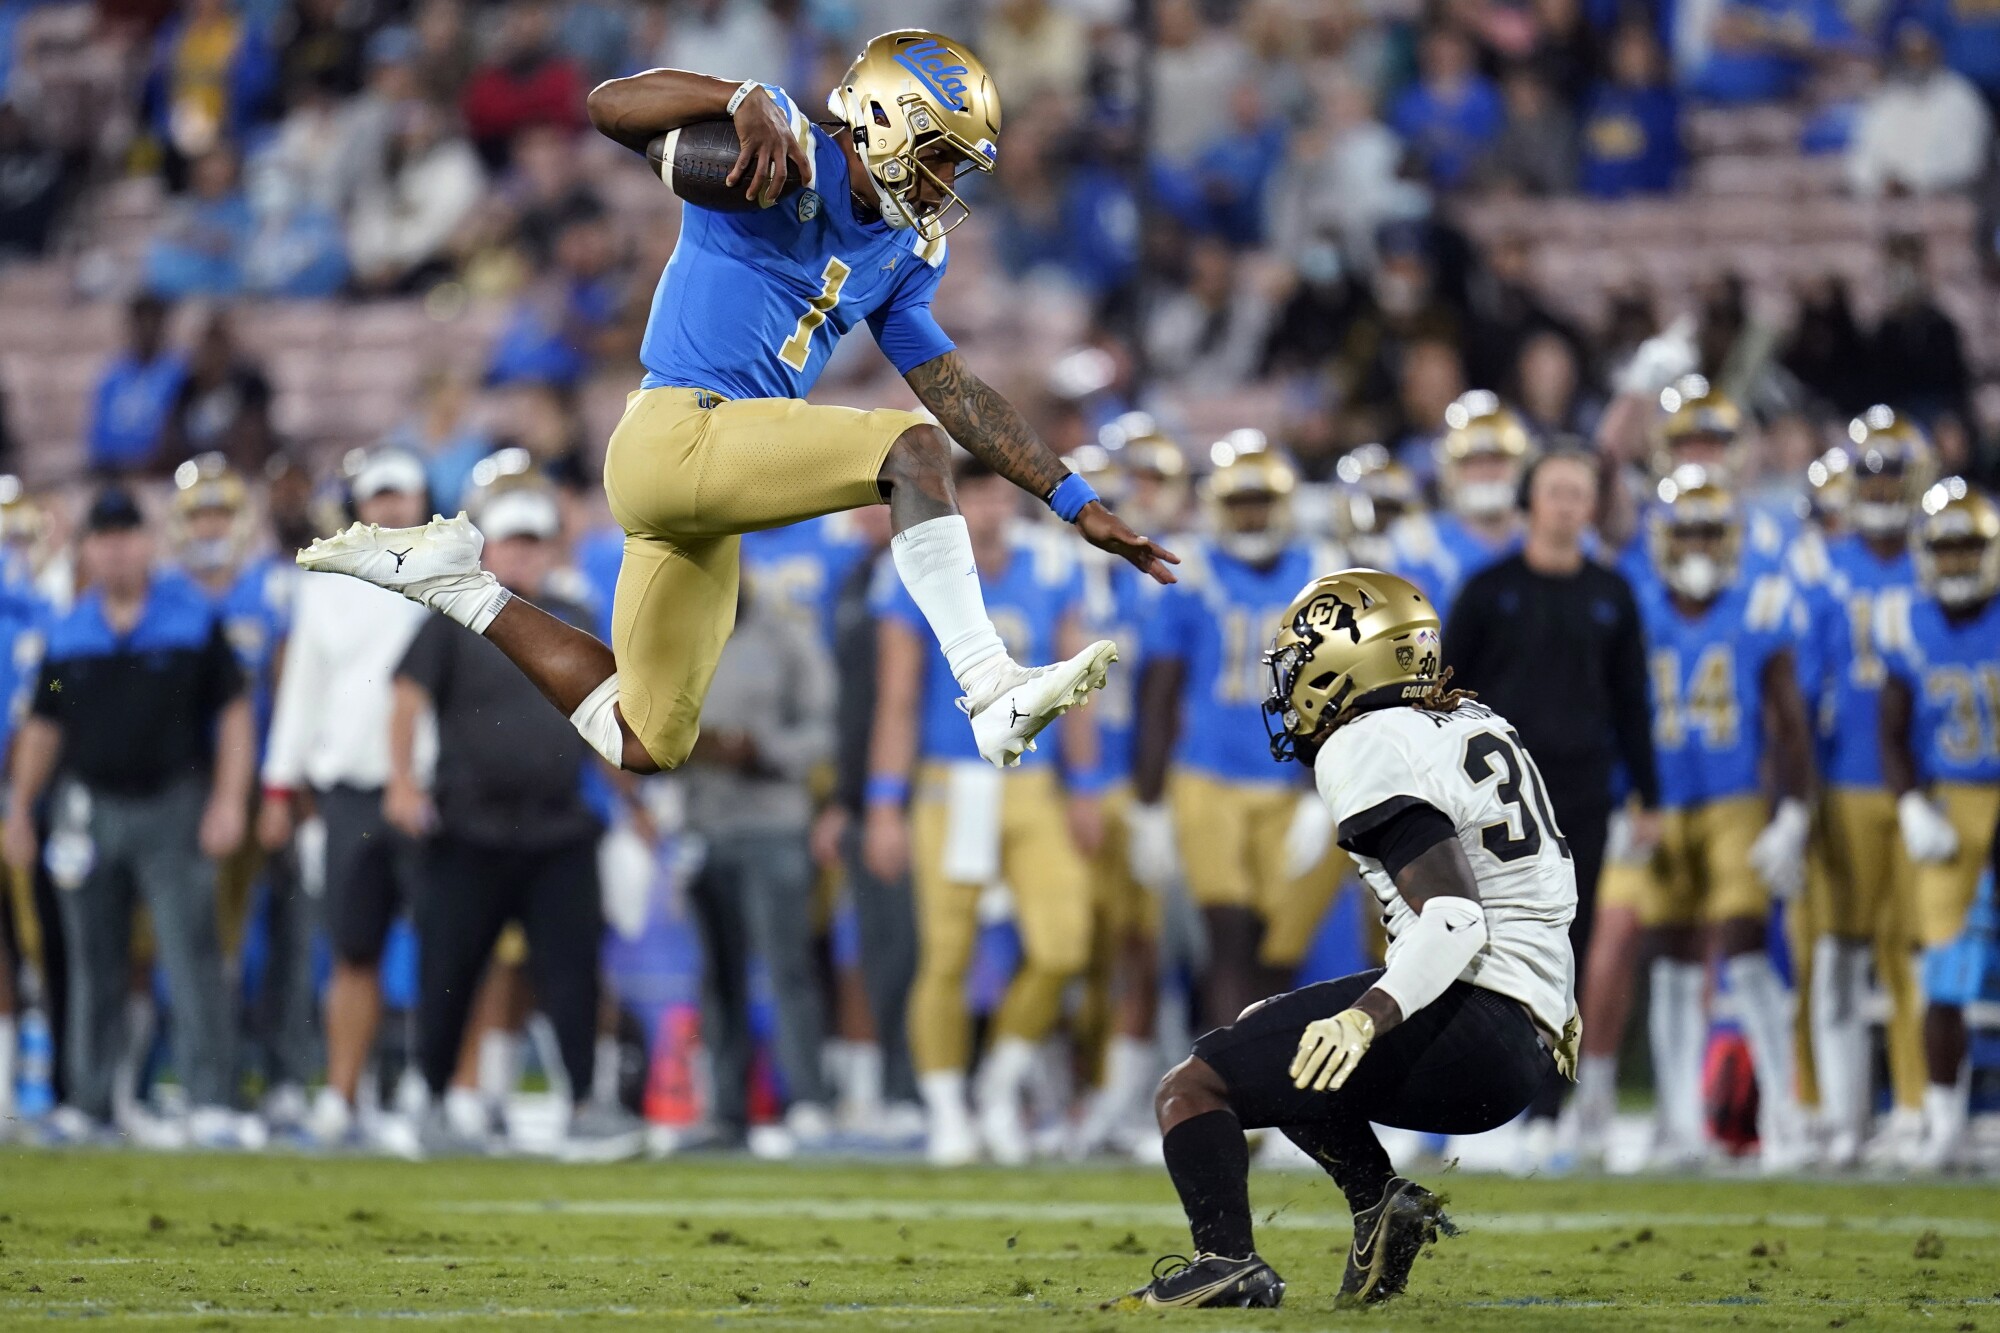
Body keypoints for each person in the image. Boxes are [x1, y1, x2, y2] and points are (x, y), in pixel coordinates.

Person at [295, 29, 1173, 798]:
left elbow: (956, 390)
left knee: (646, 738)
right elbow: (608, 106)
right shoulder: (784, 141)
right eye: (941, 154)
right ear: (888, 122)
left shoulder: (908, 249)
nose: (947, 183)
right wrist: (741, 96)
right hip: (677, 431)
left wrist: (1071, 498)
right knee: (908, 449)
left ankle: (457, 583)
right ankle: (988, 684)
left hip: (712, 472)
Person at [1117, 570, 1575, 1310]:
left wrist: (1367, 1015)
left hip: (1475, 1018)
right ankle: (1380, 1202)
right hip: (1525, 1031)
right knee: (1278, 1033)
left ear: (1349, 659)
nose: (1291, 679)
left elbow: (1456, 919)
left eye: (1302, 658)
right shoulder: (1473, 720)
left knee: (1192, 1084)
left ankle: (1226, 1259)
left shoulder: (1367, 739)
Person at [388, 476, 641, 1161]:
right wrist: (403, 782)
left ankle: (587, 1104)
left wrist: (632, 801)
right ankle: (433, 1099)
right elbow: (406, 696)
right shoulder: (452, 613)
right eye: (512, 540)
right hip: (469, 826)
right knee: (449, 969)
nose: (524, 554)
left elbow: (603, 715)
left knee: (573, 973)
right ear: (490, 547)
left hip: (558, 826)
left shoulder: (573, 612)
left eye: (533, 540)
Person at [866, 455, 1102, 1166]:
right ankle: (946, 1108)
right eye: (977, 497)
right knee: (946, 954)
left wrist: (1086, 784)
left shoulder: (1054, 566)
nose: (991, 511)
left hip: (1032, 785)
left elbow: (1077, 682)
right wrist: (884, 800)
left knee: (1064, 943)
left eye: (999, 496)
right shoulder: (913, 567)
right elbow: (898, 696)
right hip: (950, 782)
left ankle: (998, 1086)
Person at [3, 487, 254, 1146]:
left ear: (148, 542)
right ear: (87, 548)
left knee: (191, 954)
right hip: (88, 806)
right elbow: (44, 722)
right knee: (91, 959)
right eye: (103, 537)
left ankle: (211, 1098)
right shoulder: (69, 633)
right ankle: (89, 1100)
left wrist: (228, 799)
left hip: (174, 802)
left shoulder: (193, 619)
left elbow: (231, 714)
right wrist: (21, 808)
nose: (115, 549)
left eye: (126, 535)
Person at [1443, 451, 1659, 1165]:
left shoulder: (1612, 592)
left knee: (1564, 944)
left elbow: (1633, 703)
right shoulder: (1488, 588)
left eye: (1580, 491)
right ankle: (1460, 1102)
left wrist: (1648, 795)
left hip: (1583, 792)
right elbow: (1442, 695)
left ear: (1593, 505)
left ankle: (1547, 1106)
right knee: (1472, 938)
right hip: (1492, 797)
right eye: (1556, 490)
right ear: (1529, 500)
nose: (1568, 503)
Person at [1624, 466, 1814, 1170]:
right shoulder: (1639, 605)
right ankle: (1682, 1121)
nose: (1700, 544)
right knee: (1668, 956)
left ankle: (1786, 1111)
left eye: (1711, 530)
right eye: (1688, 531)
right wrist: (1626, 799)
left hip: (1736, 800)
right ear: (1664, 538)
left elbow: (1790, 725)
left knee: (1744, 942)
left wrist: (1792, 812)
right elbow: (1618, 714)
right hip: (1662, 802)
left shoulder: (1760, 603)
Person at [1132, 440, 1348, 1034]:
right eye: (1240, 504)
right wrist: (1148, 804)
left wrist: (1315, 788)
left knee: (1276, 947)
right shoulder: (1192, 570)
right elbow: (1158, 692)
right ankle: (1232, 1096)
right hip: (1209, 778)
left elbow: (1342, 696)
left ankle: (1260, 1085)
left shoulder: (1323, 570)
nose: (1251, 517)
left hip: (1289, 785)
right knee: (1226, 937)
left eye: (1262, 502)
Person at [259, 449, 432, 1147]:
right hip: (350, 793)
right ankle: (343, 1089)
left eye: (402, 494)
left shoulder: (455, 575)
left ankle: (435, 1086)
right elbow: (301, 693)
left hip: (428, 790)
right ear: (362, 503)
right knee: (352, 950)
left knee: (440, 951)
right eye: (380, 496)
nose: (391, 508)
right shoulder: (323, 583)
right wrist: (279, 785)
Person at [1800, 411, 1933, 1166]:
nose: (1881, 488)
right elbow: (1802, 686)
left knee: (1916, 951)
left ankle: (1916, 1107)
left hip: (1923, 783)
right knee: (1841, 952)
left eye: (1892, 473)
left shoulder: (1938, 554)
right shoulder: (1819, 565)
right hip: (1843, 778)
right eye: (1870, 474)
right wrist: (1800, 800)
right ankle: (1841, 1115)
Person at [168, 454, 311, 1130]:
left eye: (221, 511)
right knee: (203, 940)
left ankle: (280, 1075)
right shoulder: (167, 592)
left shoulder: (277, 588)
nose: (211, 525)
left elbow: (292, 689)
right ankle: (211, 1078)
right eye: (200, 513)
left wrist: (287, 780)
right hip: (186, 786)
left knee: (281, 932)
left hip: (263, 785)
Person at [678, 569, 836, 1152]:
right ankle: (727, 1110)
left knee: (785, 967)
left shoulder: (787, 639)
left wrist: (761, 750)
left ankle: (808, 1104)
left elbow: (823, 730)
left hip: (775, 823)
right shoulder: (681, 637)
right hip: (703, 824)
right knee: (718, 976)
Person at [1876, 478, 2000, 1171]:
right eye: (1944, 550)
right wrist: (1912, 803)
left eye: (1968, 549)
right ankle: (1945, 1123)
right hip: (1951, 800)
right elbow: (1891, 729)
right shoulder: (1906, 620)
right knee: (1943, 972)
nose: (1955, 563)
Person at [1392, 393, 1534, 622]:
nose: (1486, 473)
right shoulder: (1418, 545)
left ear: (1521, 466)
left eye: (1497, 459)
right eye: (1472, 462)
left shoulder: (1545, 537)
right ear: (1450, 472)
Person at [87, 295, 187, 476]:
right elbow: (99, 437)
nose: (147, 329)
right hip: (113, 471)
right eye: (141, 322)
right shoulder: (112, 375)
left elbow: (178, 431)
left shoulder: (180, 373)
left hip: (162, 472)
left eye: (153, 322)